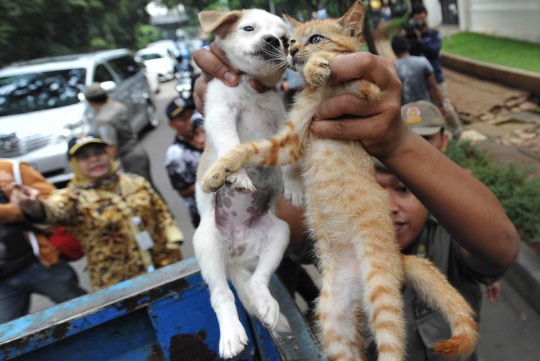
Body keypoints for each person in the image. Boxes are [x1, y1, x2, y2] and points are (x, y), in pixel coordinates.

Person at [192, 44, 520, 360]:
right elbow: (268, 212)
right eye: (374, 186)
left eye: (406, 189)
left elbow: (501, 245)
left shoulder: (448, 234)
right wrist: (239, 108)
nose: (387, 205)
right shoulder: (339, 224)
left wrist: (397, 144)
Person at [10, 135, 184, 291]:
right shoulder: (74, 197)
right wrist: (32, 206)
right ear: (74, 164)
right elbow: (52, 211)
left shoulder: (135, 182)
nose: (94, 160)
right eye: (84, 157)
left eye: (98, 153)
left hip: (167, 267)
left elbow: (161, 210)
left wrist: (172, 235)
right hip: (119, 284)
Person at [403, 100, 502, 304]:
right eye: (410, 138)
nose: (418, 146)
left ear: (444, 140)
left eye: (427, 138)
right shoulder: (384, 185)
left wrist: (488, 266)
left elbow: (484, 243)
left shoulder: (463, 190)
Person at [0, 160, 86, 323]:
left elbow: (52, 204)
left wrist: (19, 208)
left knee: (84, 311)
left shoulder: (11, 170)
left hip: (39, 263)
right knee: (6, 339)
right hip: (3, 280)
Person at [404, 5, 462, 137]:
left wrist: (419, 41)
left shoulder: (434, 34)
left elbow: (434, 52)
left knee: (445, 105)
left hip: (436, 78)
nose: (420, 21)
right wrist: (406, 38)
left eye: (422, 18)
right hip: (420, 82)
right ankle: (439, 134)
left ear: (426, 17)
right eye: (416, 19)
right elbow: (407, 55)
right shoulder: (410, 37)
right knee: (429, 109)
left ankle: (457, 131)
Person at [83, 83, 156, 186]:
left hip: (129, 158)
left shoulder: (104, 121)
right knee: (149, 186)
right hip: (138, 151)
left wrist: (109, 168)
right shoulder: (118, 107)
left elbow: (112, 146)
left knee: (141, 192)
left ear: (89, 101)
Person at [164, 98, 203, 228]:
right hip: (204, 214)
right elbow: (184, 190)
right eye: (182, 119)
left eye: (191, 114)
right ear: (172, 125)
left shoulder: (209, 135)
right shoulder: (175, 154)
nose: (189, 121)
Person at [391, 35, 447, 116]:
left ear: (394, 51)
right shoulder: (423, 62)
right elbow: (434, 87)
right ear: (408, 46)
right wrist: (442, 105)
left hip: (406, 112)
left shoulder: (393, 68)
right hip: (425, 107)